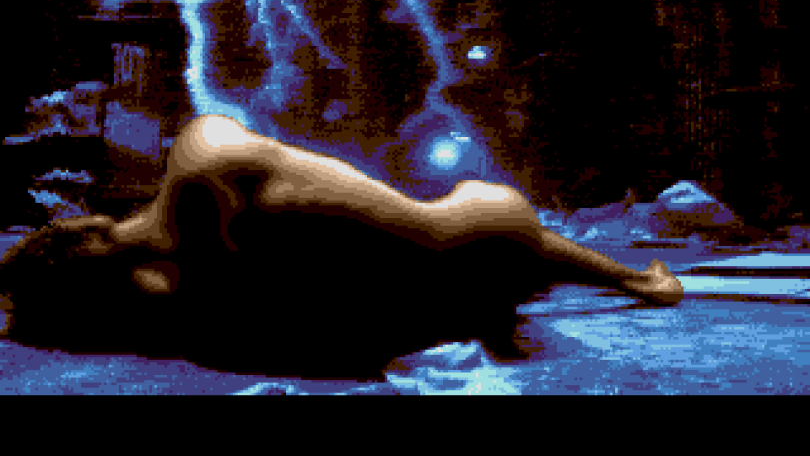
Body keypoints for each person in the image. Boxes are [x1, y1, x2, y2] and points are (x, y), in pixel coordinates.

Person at [0, 115, 683, 381]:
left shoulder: (202, 321)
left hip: (464, 297)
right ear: (82, 225)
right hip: (491, 239)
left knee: (450, 252)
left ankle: (631, 281)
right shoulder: (198, 159)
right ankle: (636, 281)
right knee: (466, 226)